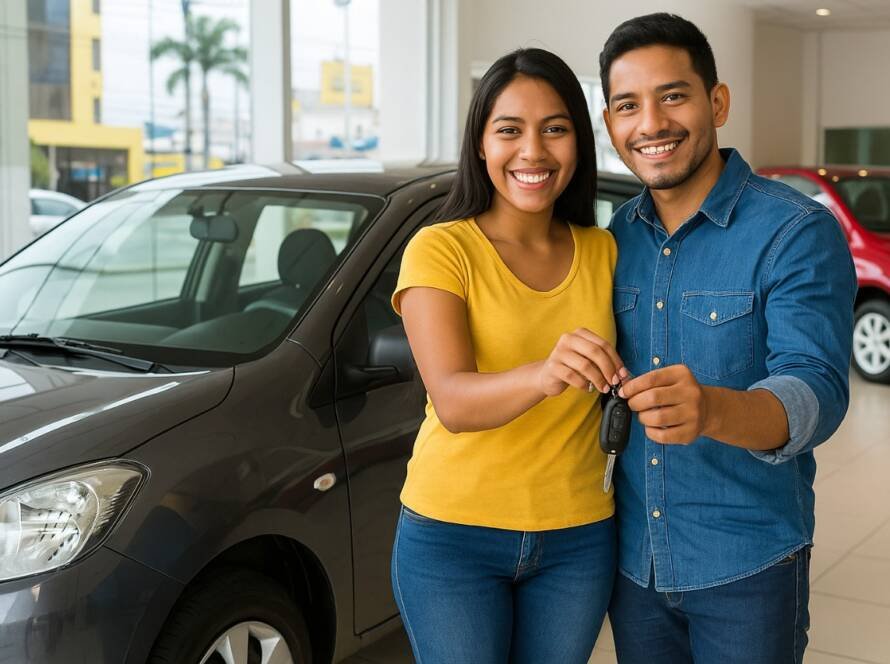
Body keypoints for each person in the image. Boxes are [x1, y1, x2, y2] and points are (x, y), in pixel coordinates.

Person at [599, 13, 857, 664]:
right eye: (629, 105)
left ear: (717, 102)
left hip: (749, 566)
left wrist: (712, 408)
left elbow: (817, 390)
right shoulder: (610, 241)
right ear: (611, 124)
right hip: (635, 567)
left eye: (674, 96)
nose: (651, 123)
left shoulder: (795, 231)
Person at [390, 47, 625, 664]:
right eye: (510, 130)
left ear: (579, 141)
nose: (534, 152)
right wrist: (545, 373)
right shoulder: (440, 250)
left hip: (579, 536)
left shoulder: (604, 250)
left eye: (555, 129)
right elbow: (454, 401)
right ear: (480, 145)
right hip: (452, 536)